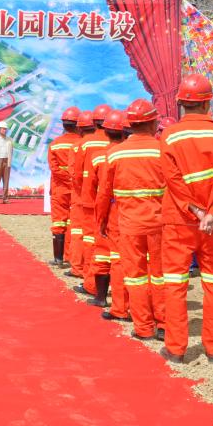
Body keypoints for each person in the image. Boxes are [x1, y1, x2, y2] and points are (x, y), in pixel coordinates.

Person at [158, 74, 213, 364]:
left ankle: (176, 349)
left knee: (175, 284)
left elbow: (173, 179)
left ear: (181, 102)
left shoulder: (170, 136)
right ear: (208, 103)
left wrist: (196, 211)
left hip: (179, 221)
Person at [97, 98, 166, 341]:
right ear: (153, 123)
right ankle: (164, 324)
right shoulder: (163, 150)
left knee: (135, 277)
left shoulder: (114, 153)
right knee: (161, 275)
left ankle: (143, 327)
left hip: (129, 225)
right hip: (160, 224)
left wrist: (101, 220)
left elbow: (104, 193)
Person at [90, 109, 128, 316]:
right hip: (131, 211)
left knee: (107, 256)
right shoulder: (130, 153)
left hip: (110, 211)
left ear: (105, 131)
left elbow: (97, 189)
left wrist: (100, 216)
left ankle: (102, 298)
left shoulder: (99, 156)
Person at [73, 105, 111, 286]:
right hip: (113, 201)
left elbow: (77, 175)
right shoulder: (118, 144)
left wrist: (84, 193)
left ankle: (90, 281)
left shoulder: (85, 144)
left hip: (89, 199)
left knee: (90, 238)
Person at [47, 107, 82, 267]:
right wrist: (73, 179)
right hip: (77, 189)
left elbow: (54, 169)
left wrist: (66, 179)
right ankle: (72, 257)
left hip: (59, 188)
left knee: (59, 221)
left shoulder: (55, 144)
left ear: (63, 124)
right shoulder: (81, 144)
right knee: (75, 222)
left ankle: (58, 258)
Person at [65, 111, 96, 275]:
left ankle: (78, 268)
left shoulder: (78, 146)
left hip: (81, 195)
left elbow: (74, 173)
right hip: (103, 195)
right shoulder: (109, 143)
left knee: (78, 231)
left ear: (80, 128)